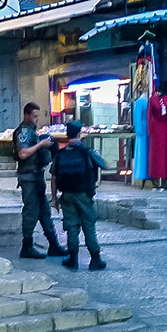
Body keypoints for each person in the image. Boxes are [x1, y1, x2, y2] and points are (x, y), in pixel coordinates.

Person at [50, 121, 107, 271]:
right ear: (80, 133)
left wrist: (54, 199)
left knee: (71, 226)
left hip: (67, 195)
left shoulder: (60, 154)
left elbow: (54, 178)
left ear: (67, 134)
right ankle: (95, 259)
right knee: (88, 226)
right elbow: (105, 165)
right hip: (84, 194)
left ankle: (72, 258)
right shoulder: (87, 152)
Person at [14, 102, 66, 260]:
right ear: (27, 115)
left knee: (44, 211)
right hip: (28, 177)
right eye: (35, 116)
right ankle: (27, 246)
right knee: (31, 211)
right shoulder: (23, 131)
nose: (37, 119)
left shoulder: (31, 131)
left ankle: (54, 245)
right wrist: (41, 144)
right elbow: (23, 153)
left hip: (36, 175)